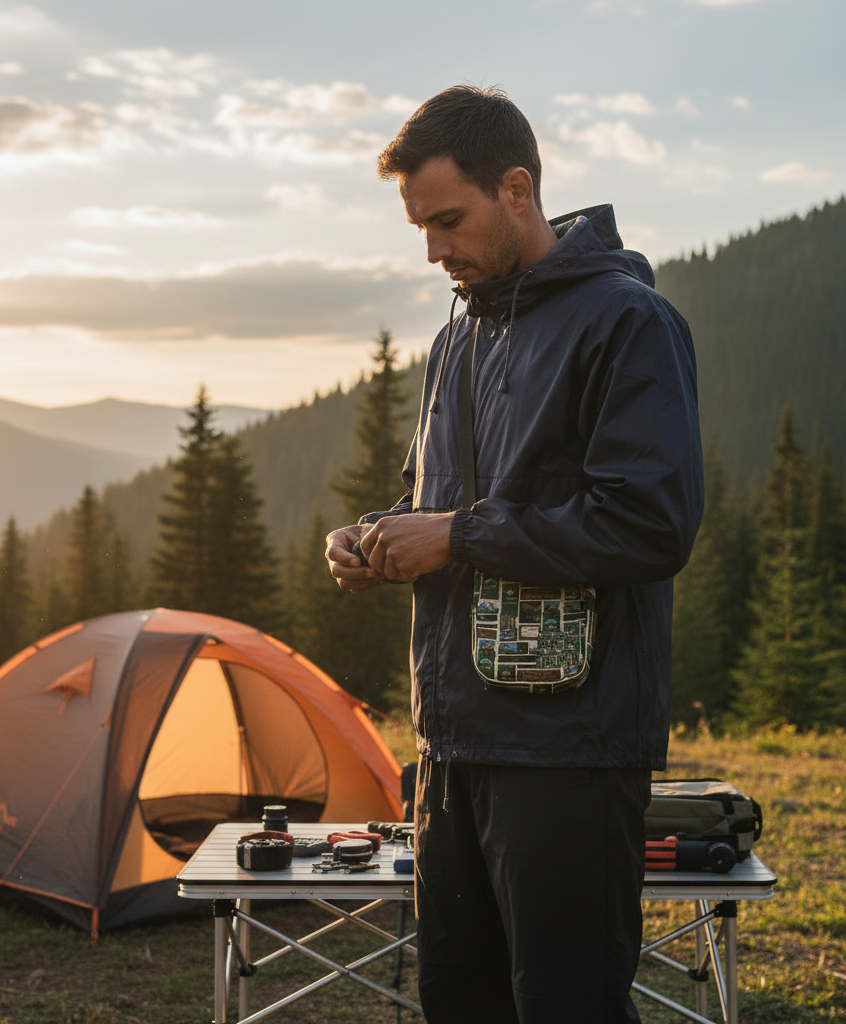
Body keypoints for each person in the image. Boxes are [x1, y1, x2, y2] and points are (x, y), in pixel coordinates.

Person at [325, 85, 704, 1023]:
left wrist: (452, 534)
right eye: (419, 227)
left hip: (569, 756)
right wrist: (381, 535)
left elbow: (649, 524)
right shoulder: (457, 339)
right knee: (461, 1004)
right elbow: (436, 503)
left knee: (567, 1007)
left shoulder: (627, 322)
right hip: (450, 749)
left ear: (519, 190)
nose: (433, 250)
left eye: (448, 220)